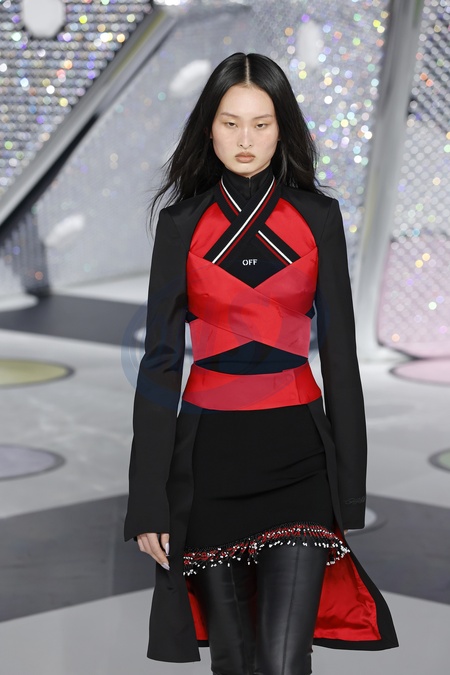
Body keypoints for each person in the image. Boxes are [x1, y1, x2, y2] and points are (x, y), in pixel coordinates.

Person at [124, 53, 398, 674]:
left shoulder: (318, 218)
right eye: (230, 123)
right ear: (209, 129)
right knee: (235, 661)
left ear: (282, 130)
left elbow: (342, 359)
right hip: (208, 463)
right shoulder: (180, 225)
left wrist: (349, 488)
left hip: (299, 460)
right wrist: (147, 502)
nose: (245, 139)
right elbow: (160, 364)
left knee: (282, 661)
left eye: (261, 123)